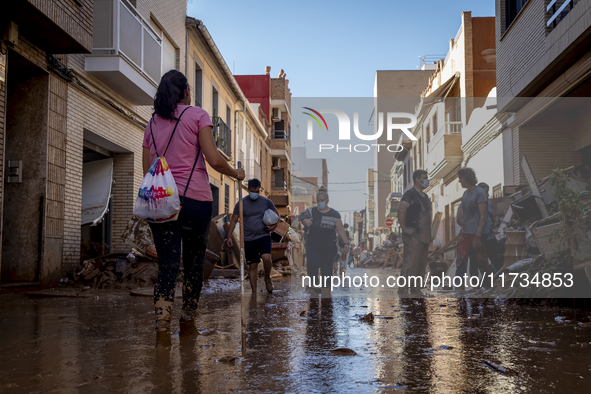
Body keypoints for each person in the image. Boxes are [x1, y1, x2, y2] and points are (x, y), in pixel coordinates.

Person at [142, 70, 245, 339]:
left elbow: (148, 168)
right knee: (194, 263)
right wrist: (235, 173)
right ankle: (187, 323)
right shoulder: (198, 115)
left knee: (167, 265)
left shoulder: (152, 123)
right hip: (194, 200)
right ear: (186, 90)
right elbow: (213, 159)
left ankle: (162, 326)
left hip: (162, 202)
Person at [226, 179, 279, 294]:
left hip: (263, 235)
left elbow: (277, 215)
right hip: (249, 239)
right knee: (252, 265)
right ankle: (254, 293)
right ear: (248, 189)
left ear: (259, 190)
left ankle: (267, 277)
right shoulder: (241, 203)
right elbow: (234, 221)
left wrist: (274, 226)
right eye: (252, 190)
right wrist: (229, 237)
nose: (254, 193)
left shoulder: (266, 202)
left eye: (257, 191)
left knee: (266, 257)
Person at [299, 187, 349, 293]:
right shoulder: (311, 211)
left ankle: (326, 293)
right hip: (313, 244)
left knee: (327, 269)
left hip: (329, 246)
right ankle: (314, 287)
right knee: (312, 264)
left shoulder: (334, 215)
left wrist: (346, 243)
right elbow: (301, 217)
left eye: (322, 200)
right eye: (318, 201)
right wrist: (305, 221)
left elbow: (340, 229)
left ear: (327, 200)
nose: (319, 203)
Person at [397, 170, 432, 296]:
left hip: (424, 236)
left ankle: (416, 289)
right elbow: (401, 210)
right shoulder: (410, 194)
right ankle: (403, 290)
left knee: (421, 264)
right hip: (413, 235)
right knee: (411, 262)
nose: (427, 180)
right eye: (424, 178)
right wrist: (405, 228)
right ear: (417, 179)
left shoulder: (425, 197)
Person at [455, 168, 489, 288]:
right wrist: (461, 232)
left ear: (467, 177)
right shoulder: (465, 194)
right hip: (465, 234)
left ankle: (486, 290)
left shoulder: (480, 192)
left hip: (476, 234)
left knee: (479, 263)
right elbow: (464, 217)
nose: (459, 181)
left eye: (461, 178)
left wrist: (478, 236)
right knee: (460, 262)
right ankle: (459, 292)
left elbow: (483, 216)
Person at [477, 182, 501, 273]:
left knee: (497, 259)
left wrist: (496, 221)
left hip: (489, 237)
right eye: (484, 192)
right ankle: (486, 283)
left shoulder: (488, 204)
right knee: (482, 263)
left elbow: (495, 216)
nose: (486, 194)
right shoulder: (474, 204)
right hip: (479, 237)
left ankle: (499, 280)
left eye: (487, 192)